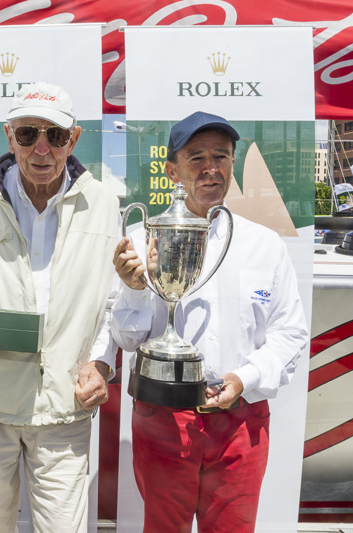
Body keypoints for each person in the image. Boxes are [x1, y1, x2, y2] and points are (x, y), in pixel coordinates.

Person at [0, 81, 118, 532]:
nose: (41, 148)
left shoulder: (105, 203)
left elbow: (115, 300)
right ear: (8, 135)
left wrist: (102, 362)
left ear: (73, 139)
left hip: (63, 403)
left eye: (54, 136)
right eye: (28, 133)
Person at [111, 111, 309, 532]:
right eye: (196, 157)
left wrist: (245, 378)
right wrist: (133, 286)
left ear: (233, 164)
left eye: (221, 156)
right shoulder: (142, 236)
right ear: (172, 170)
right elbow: (127, 338)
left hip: (241, 419)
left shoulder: (263, 244)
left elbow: (289, 332)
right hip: (165, 418)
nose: (210, 168)